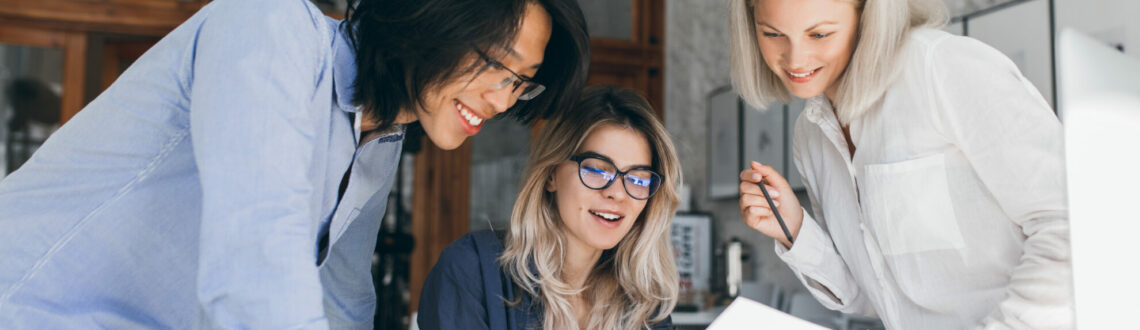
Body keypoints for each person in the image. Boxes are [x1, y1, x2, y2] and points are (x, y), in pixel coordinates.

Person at [0, 0, 589, 328]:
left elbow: (342, 299)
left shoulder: (378, 138)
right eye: (496, 65)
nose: (504, 97)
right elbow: (258, 252)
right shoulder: (269, 27)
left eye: (521, 84)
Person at [729, 0, 1071, 328]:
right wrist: (795, 227)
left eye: (819, 34)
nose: (795, 58)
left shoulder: (941, 67)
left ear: (867, 15)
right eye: (772, 34)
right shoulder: (810, 134)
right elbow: (871, 298)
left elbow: (1071, 223)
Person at [417, 86, 681, 330]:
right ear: (551, 174)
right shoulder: (471, 270)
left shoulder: (645, 305)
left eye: (637, 179)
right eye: (597, 170)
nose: (616, 193)